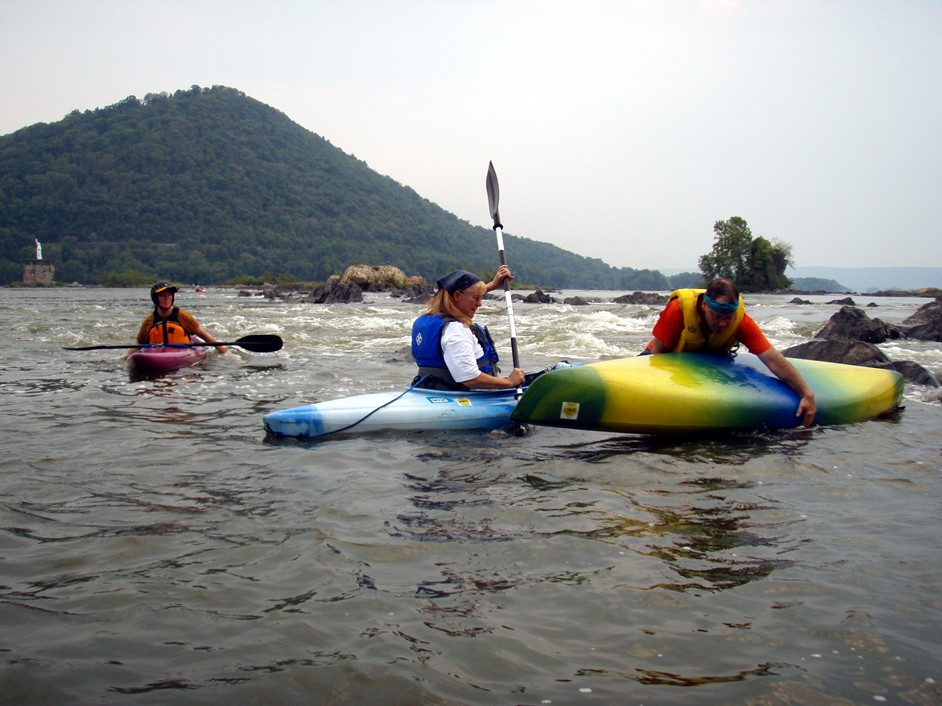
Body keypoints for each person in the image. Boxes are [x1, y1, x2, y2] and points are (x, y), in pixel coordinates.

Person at [644, 278, 817, 426]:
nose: (722, 324)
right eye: (717, 317)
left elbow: (772, 359)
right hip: (662, 358)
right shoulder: (678, 309)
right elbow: (657, 354)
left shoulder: (741, 322)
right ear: (704, 305)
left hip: (705, 365)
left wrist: (806, 393)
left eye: (728, 318)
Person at [411, 265, 525, 390]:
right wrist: (509, 382)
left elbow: (465, 294)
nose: (480, 303)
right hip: (466, 397)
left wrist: (492, 284)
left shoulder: (427, 320)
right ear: (456, 296)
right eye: (477, 298)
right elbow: (469, 378)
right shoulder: (455, 330)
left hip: (431, 389)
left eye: (481, 297)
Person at [133, 282, 228, 354]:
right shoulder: (149, 321)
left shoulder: (182, 316)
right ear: (155, 298)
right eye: (162, 296)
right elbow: (139, 343)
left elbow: (203, 335)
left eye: (169, 295)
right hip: (158, 353)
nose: (167, 298)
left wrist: (222, 349)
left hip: (182, 351)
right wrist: (125, 358)